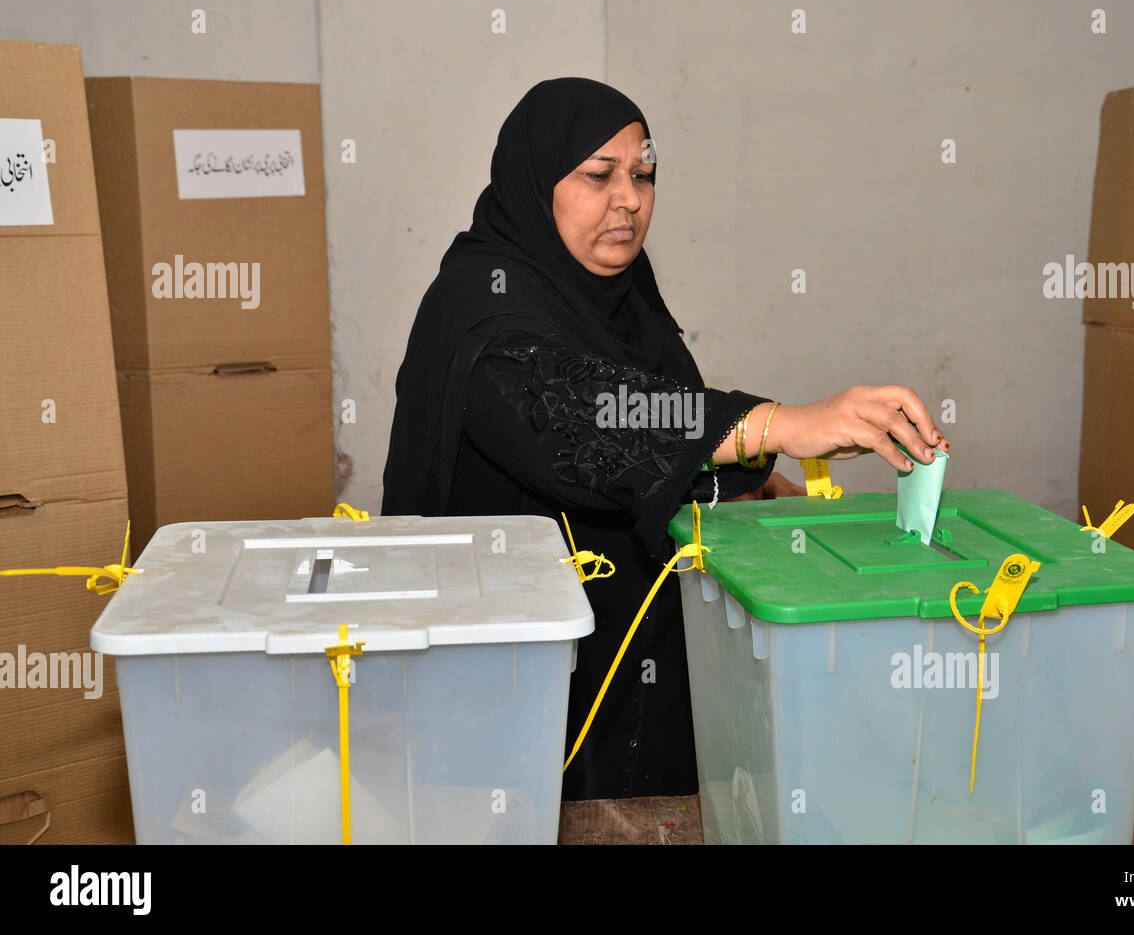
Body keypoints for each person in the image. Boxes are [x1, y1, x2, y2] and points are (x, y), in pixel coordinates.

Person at [382, 77, 950, 801]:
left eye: (644, 174)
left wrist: (751, 474)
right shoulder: (479, 303)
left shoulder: (620, 288)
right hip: (513, 686)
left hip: (633, 644)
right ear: (536, 181)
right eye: (598, 175)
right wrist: (785, 421)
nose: (630, 198)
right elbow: (585, 416)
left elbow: (664, 415)